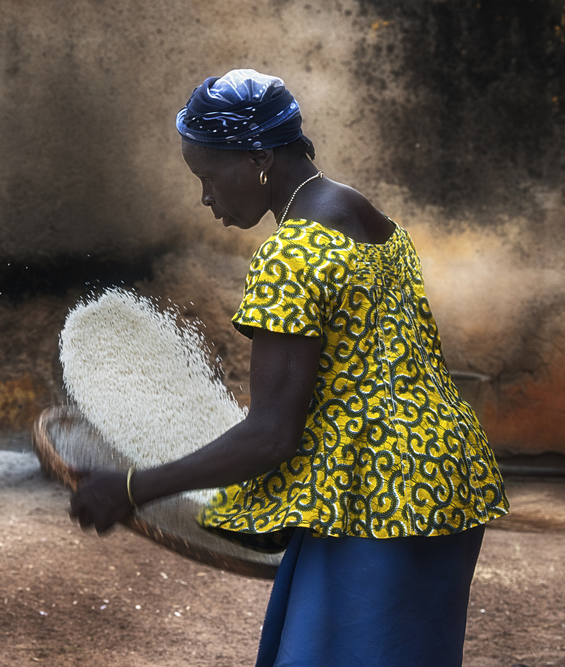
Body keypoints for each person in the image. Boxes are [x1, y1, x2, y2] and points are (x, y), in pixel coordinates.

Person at [68, 69, 509, 666]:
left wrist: (131, 489)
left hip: (376, 495)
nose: (205, 198)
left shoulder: (291, 254)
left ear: (258, 159)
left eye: (207, 177)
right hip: (446, 477)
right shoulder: (362, 213)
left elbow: (271, 435)